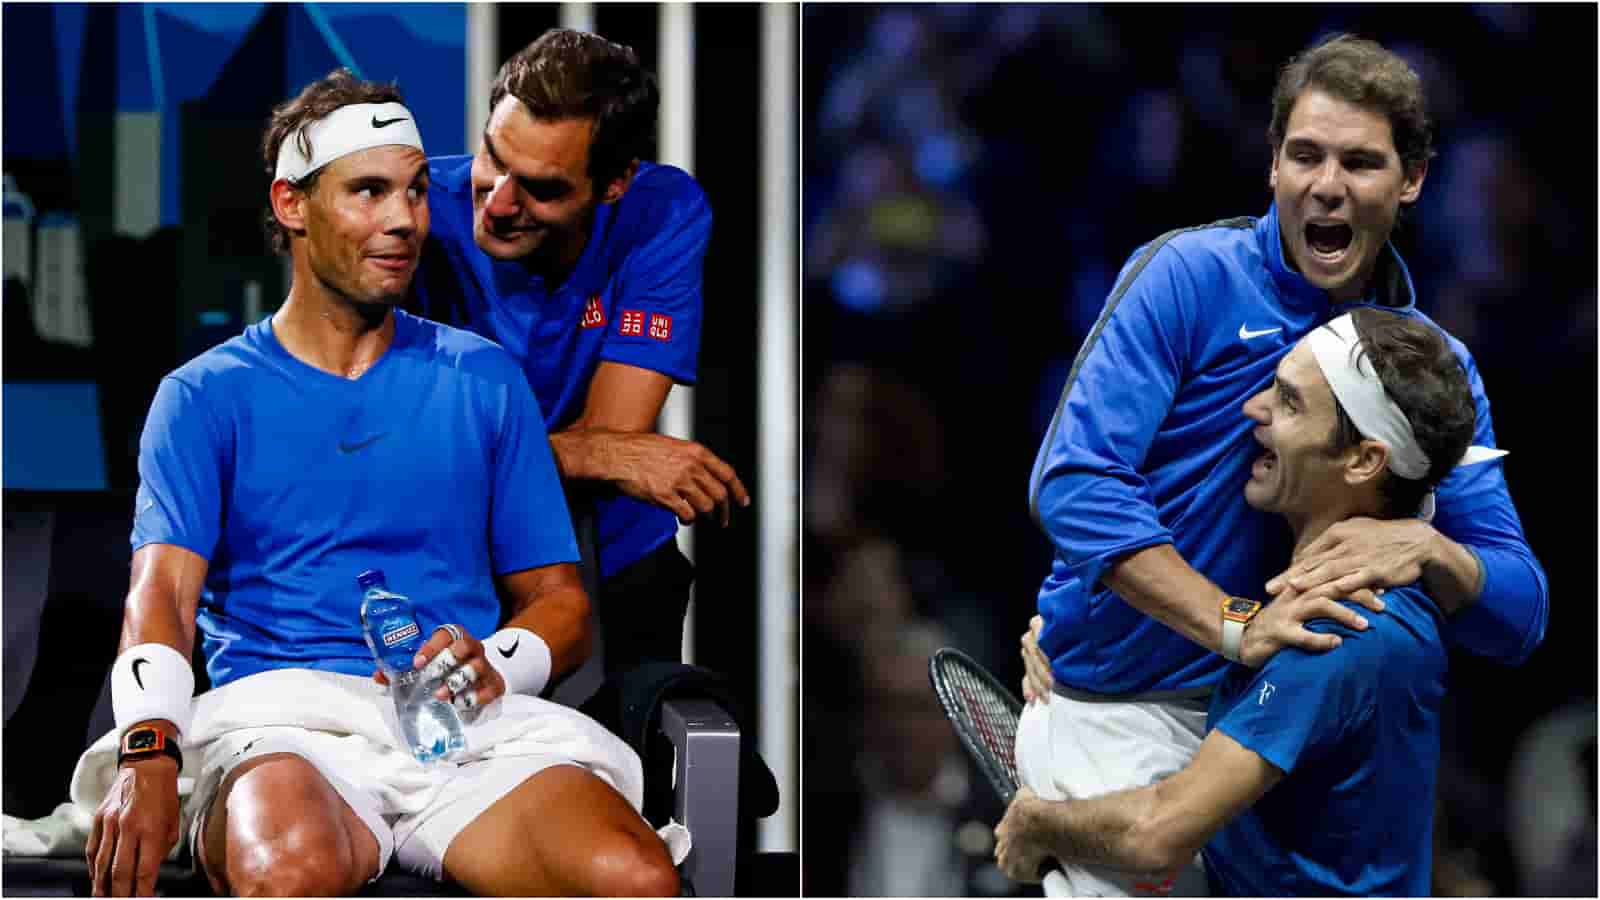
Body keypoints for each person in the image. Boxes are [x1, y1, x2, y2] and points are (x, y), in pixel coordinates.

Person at [84, 71, 679, 897]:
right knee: (288, 868)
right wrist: (147, 753)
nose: (405, 220)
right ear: (293, 205)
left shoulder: (485, 379)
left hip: (466, 731)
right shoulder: (202, 395)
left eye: (414, 192)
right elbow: (161, 600)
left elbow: (562, 604)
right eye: (368, 192)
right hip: (284, 724)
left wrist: (494, 663)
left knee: (633, 878)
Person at [1015, 34, 1546, 896]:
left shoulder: (1428, 369)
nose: (1326, 184)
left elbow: (1518, 612)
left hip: (1279, 739)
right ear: (1272, 167)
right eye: (1305, 154)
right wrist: (1230, 622)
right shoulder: (1185, 276)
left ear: (1411, 181)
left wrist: (1431, 552)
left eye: (1361, 162)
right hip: (1133, 713)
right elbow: (1074, 484)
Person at [997, 308, 1490, 895]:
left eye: (1288, 402)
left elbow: (1156, 836)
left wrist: (1037, 824)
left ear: (1363, 460)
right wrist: (1071, 633)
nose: (1252, 410)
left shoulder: (1336, 632)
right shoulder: (1334, 600)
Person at [409, 29, 749, 677]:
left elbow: (616, 434)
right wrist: (593, 453)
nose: (500, 203)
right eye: (492, 156)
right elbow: (407, 462)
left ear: (615, 182)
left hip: (611, 561)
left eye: (541, 187)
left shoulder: (663, 211)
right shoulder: (415, 220)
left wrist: (597, 450)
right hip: (449, 567)